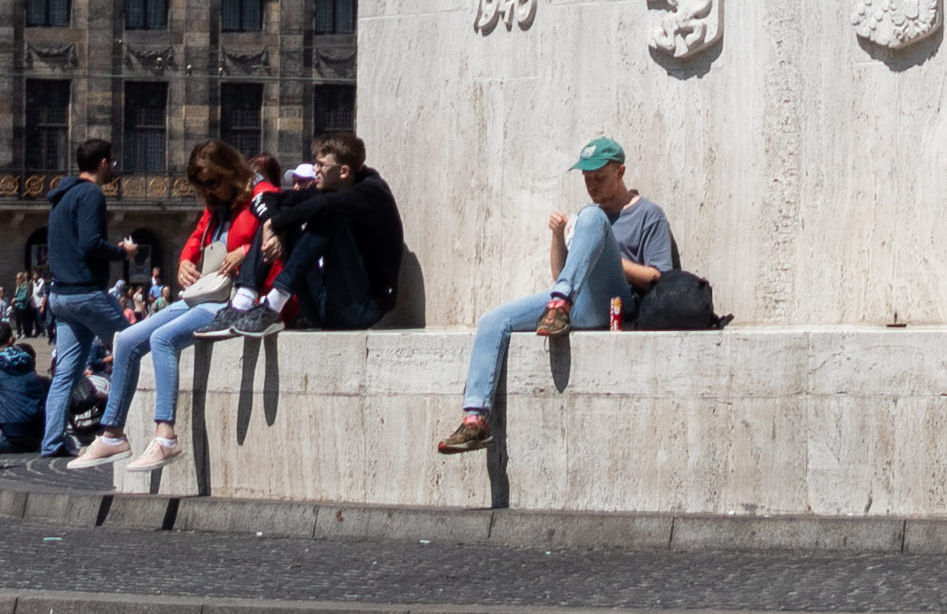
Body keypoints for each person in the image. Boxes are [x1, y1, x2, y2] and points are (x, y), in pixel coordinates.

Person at [436, 137, 676, 456]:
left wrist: (606, 257)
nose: (592, 185)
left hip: (617, 304)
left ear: (621, 172)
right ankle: (475, 419)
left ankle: (560, 305)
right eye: (586, 178)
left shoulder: (648, 214)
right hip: (572, 302)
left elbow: (659, 278)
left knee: (591, 218)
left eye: (599, 177)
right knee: (493, 320)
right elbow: (560, 275)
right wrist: (558, 236)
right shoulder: (587, 217)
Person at [80, 143, 261, 473]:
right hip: (207, 292)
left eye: (212, 183)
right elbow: (196, 237)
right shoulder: (216, 206)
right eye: (202, 187)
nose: (209, 192)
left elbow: (282, 233)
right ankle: (112, 434)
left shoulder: (260, 194)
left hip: (236, 298)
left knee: (163, 339)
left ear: (231, 171)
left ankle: (165, 437)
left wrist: (246, 251)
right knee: (127, 339)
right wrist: (185, 262)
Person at [258, 134, 405, 332]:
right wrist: (272, 224)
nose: (315, 170)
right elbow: (268, 198)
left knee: (329, 211)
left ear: (343, 171)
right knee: (282, 216)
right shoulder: (328, 187)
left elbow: (326, 204)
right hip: (323, 306)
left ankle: (275, 302)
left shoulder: (373, 191)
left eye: (321, 165)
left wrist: (276, 223)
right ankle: (244, 299)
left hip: (362, 308)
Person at [37, 136, 122, 468]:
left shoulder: (61, 196)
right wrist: (122, 252)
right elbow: (91, 243)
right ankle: (118, 431)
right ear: (103, 163)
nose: (113, 168)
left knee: (65, 374)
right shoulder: (91, 194)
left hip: (60, 295)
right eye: (112, 162)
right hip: (85, 292)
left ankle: (52, 442)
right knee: (139, 345)